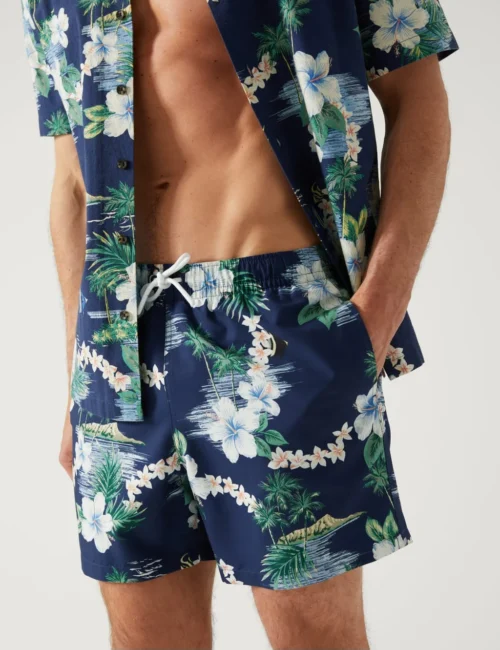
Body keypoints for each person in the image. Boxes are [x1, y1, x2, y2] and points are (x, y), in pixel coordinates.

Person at [21, 0, 458, 648]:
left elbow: (418, 97)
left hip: (275, 322)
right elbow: (70, 181)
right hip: (115, 341)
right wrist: (77, 382)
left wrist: (371, 322)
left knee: (317, 639)